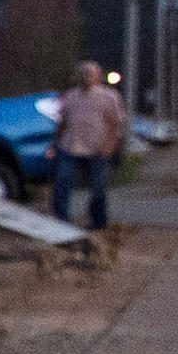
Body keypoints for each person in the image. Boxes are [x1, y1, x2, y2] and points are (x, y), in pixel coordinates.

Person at [49, 59, 128, 234]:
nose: (86, 77)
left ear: (97, 76)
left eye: (90, 74)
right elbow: (63, 122)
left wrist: (110, 145)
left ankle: (99, 224)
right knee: (63, 180)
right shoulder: (70, 96)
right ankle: (61, 220)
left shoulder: (109, 96)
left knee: (98, 187)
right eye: (83, 74)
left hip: (97, 147)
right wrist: (55, 144)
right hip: (70, 146)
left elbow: (114, 123)